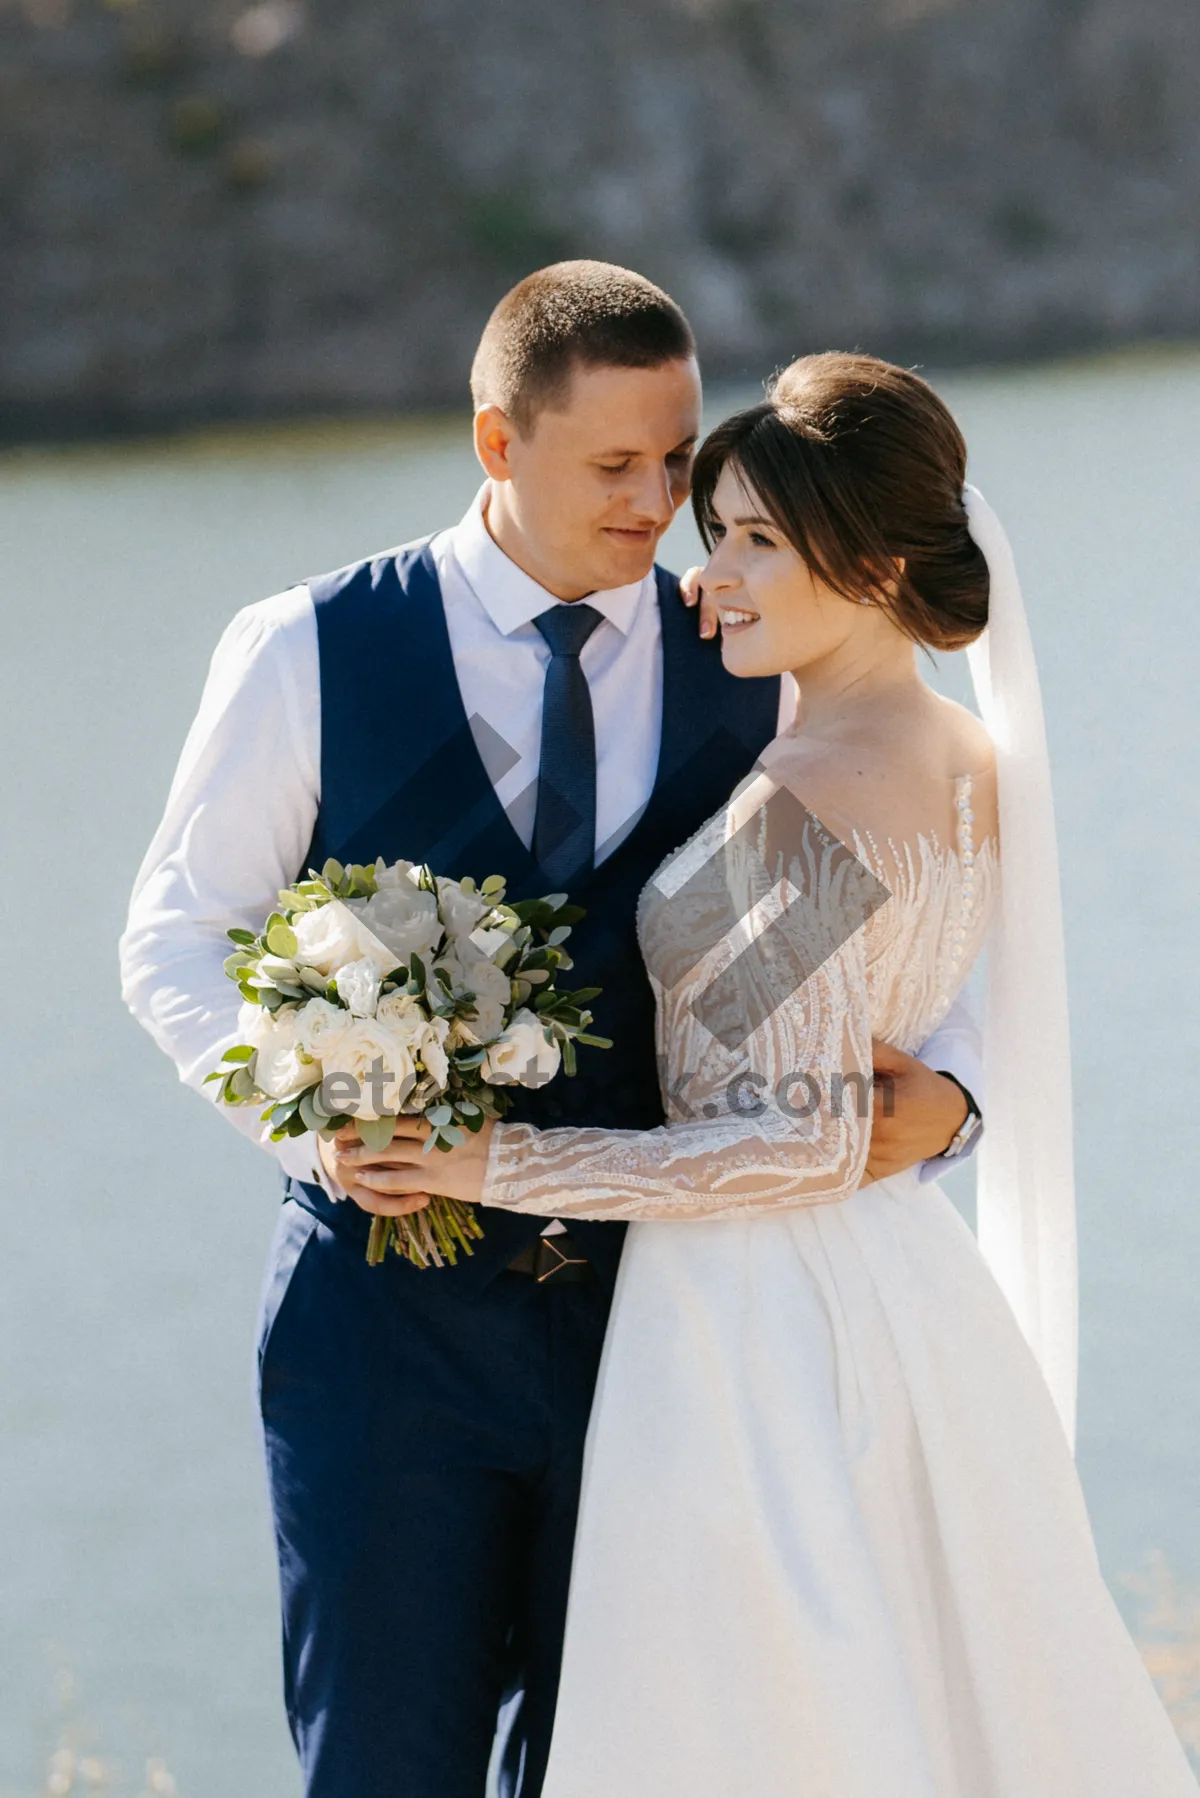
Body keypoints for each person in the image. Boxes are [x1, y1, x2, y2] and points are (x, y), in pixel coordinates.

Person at [119, 268, 982, 1798]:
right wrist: (307, 1119)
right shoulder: (306, 646)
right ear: (496, 443)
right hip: (384, 1340)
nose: (662, 505)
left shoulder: (750, 650)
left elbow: (909, 868)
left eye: (675, 461)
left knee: (629, 1755)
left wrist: (958, 1091)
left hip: (658, 1328)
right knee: (386, 1765)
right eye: (615, 467)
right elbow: (178, 937)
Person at [354, 353, 1198, 1795]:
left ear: (868, 561)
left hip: (761, 1321)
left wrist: (481, 1161)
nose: (712, 574)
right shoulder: (952, 745)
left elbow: (787, 1146)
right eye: (715, 533)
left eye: (756, 540)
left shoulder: (812, 791)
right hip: (900, 1290)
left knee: (763, 1714)